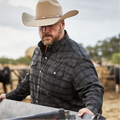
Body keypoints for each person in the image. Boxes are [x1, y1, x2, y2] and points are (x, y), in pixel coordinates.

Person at [0, 0, 104, 117]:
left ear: (62, 24)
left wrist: (91, 108)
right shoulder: (38, 51)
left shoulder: (76, 57)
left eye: (50, 25)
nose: (45, 31)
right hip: (38, 117)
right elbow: (30, 81)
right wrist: (8, 97)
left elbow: (93, 88)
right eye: (41, 26)